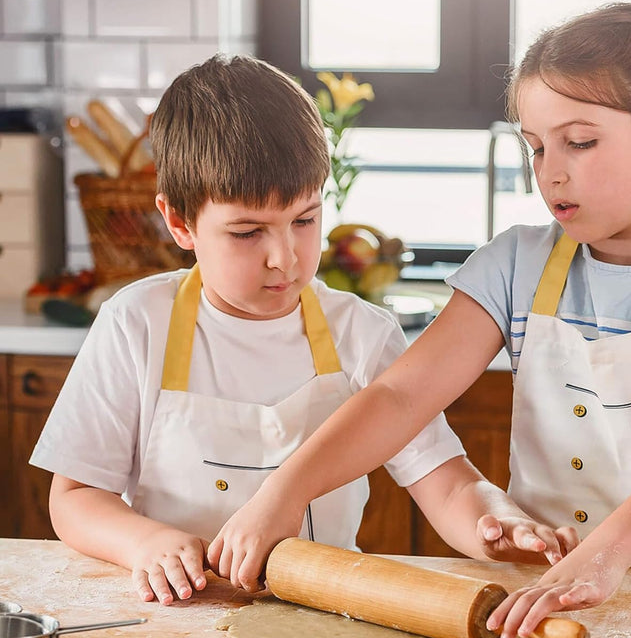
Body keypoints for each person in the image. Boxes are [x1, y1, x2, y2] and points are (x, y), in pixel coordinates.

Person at [205, 5, 631, 638]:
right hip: (543, 613)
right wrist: (284, 493)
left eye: (580, 141)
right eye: (537, 147)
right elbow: (401, 396)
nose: (551, 172)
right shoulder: (514, 265)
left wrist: (603, 555)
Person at [32, 55, 575, 606]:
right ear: (179, 222)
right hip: (180, 615)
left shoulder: (362, 334)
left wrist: (495, 523)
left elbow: (449, 483)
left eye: (305, 220)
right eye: (247, 232)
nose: (283, 258)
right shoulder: (136, 323)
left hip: (323, 615)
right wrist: (147, 542)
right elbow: (75, 497)